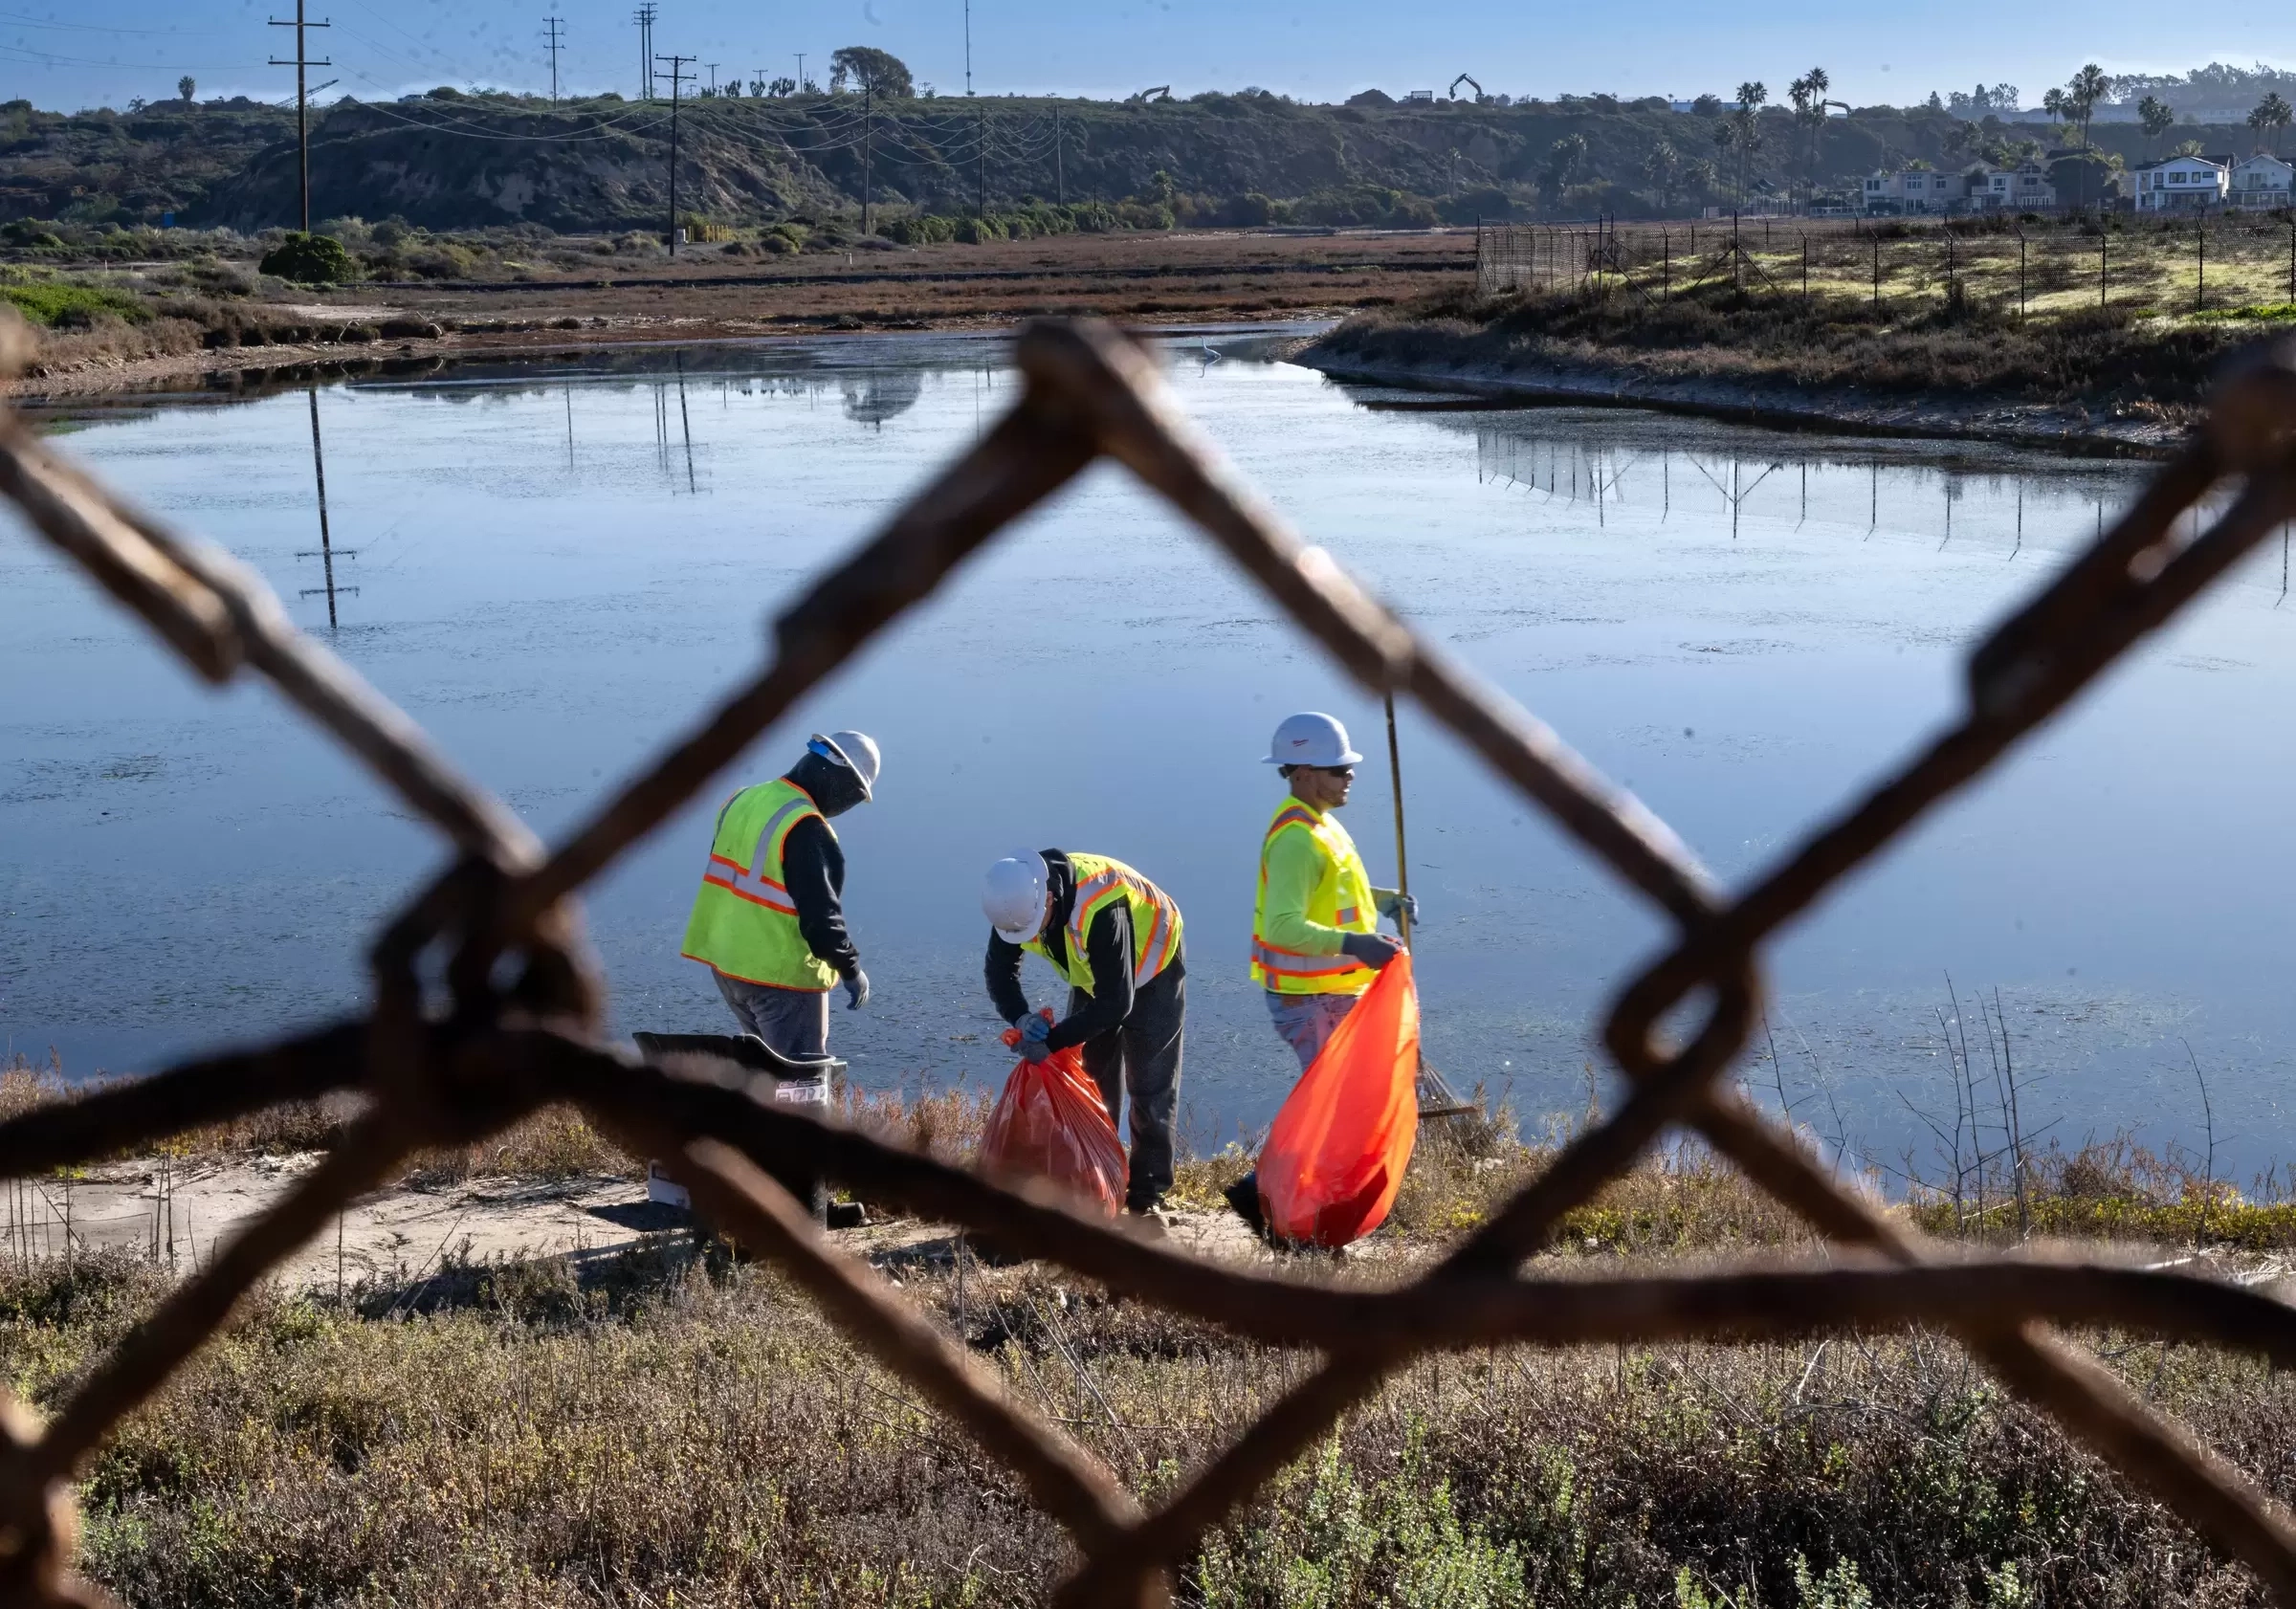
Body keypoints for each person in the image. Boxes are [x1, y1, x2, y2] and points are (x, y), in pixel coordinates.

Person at [1228, 711, 1416, 1235]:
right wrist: (1354, 943)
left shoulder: (1320, 826)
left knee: (1334, 1107)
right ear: (1303, 772)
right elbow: (1285, 927)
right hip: (1309, 999)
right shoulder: (1296, 839)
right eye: (1337, 769)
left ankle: (1276, 1200)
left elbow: (1337, 893)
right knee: (1335, 1112)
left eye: (1348, 767)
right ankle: (1279, 1205)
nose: (1348, 776)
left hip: (1330, 993)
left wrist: (1384, 902)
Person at [679, 729, 881, 1110]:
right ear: (835, 776)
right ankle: (791, 1166)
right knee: (797, 1089)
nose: (848, 805)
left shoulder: (742, 799)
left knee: (765, 1078)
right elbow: (821, 919)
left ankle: (757, 1155)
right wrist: (851, 969)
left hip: (729, 967)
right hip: (780, 978)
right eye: (854, 795)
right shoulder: (806, 828)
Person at [982, 849, 1185, 1219]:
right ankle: (1096, 1184)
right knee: (1088, 1079)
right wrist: (1020, 1017)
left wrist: (1053, 1041)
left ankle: (1146, 1197)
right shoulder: (1013, 902)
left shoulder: (1099, 905)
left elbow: (1115, 1003)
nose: (1032, 933)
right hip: (1095, 974)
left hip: (1153, 963)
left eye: (1036, 924)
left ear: (1048, 897)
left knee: (1151, 1087)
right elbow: (999, 972)